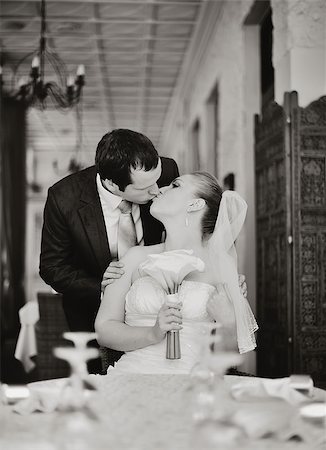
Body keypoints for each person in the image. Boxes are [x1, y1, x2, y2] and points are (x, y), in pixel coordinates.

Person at [39, 129, 179, 370]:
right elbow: (51, 267)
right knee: (101, 384)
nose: (157, 190)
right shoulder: (64, 198)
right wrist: (102, 286)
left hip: (154, 309)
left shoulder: (165, 172)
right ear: (112, 184)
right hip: (92, 313)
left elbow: (185, 228)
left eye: (158, 180)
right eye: (145, 188)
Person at [95, 172, 258, 374]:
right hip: (134, 375)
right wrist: (152, 334)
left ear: (195, 205)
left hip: (196, 382)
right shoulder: (134, 258)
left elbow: (231, 360)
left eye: (175, 185)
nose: (160, 190)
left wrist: (229, 322)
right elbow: (104, 330)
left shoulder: (220, 268)